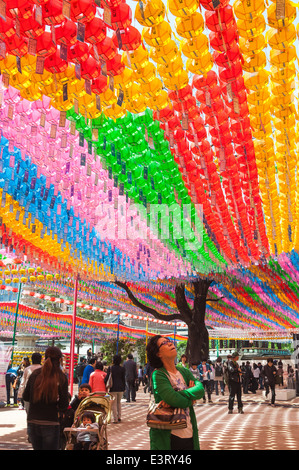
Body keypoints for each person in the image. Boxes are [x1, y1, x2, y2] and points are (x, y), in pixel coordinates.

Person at [146, 335, 204, 451]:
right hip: (169, 434)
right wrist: (190, 399)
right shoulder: (158, 375)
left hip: (189, 431)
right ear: (158, 354)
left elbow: (200, 389)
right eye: (164, 343)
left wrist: (179, 394)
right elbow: (172, 398)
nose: (170, 343)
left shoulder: (184, 371)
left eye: (169, 341)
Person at [22, 346, 69, 450]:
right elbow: (64, 404)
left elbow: (25, 396)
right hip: (51, 422)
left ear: (44, 358)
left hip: (33, 422)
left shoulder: (35, 374)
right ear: (60, 359)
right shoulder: (61, 377)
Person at [104, 354, 126, 424]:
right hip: (121, 388)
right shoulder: (122, 369)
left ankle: (115, 419)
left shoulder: (110, 368)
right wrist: (124, 387)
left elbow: (107, 378)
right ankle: (119, 417)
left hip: (113, 388)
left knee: (114, 404)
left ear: (113, 360)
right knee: (119, 403)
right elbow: (123, 379)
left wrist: (104, 383)